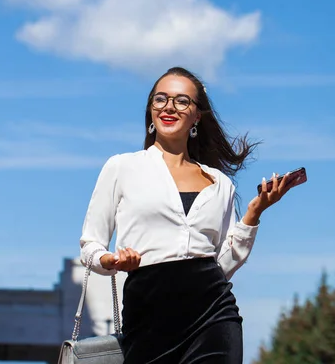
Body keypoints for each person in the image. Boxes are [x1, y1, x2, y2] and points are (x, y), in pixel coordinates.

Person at [80, 66, 296, 363]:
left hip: (213, 312)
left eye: (182, 101)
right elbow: (90, 246)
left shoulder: (220, 183)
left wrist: (253, 214)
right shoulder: (122, 168)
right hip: (148, 314)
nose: (169, 106)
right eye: (160, 99)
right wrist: (112, 261)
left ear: (196, 116)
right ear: (151, 110)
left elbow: (222, 264)